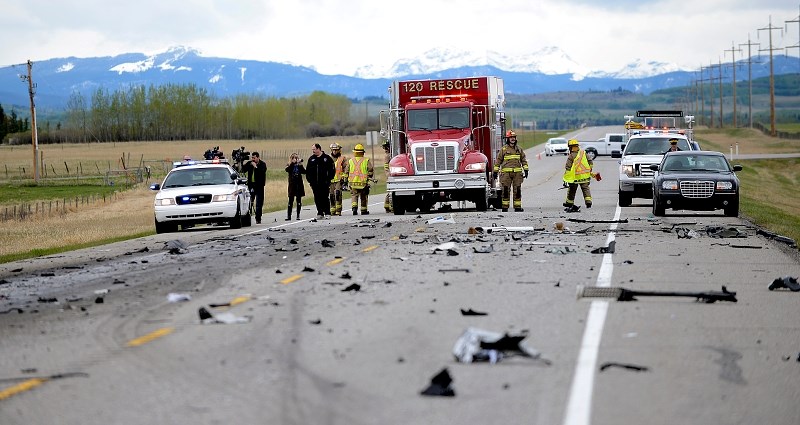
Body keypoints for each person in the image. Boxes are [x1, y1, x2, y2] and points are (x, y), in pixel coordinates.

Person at [492, 130, 528, 212]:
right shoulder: (503, 149)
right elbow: (498, 161)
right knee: (505, 190)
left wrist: (526, 170)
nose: (513, 139)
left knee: (517, 190)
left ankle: (517, 207)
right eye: (511, 137)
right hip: (506, 175)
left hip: (517, 174)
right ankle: (505, 207)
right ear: (508, 139)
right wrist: (495, 172)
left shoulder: (519, 149)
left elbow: (523, 160)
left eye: (514, 137)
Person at [563, 139, 594, 212]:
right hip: (585, 176)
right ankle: (588, 202)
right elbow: (590, 162)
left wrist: (566, 178)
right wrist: (590, 169)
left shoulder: (571, 156)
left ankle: (569, 203)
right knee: (586, 189)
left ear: (571, 147)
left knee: (572, 190)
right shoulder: (584, 153)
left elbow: (568, 167)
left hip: (575, 178)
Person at [306, 143, 335, 219]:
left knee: (325, 197)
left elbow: (332, 170)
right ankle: (320, 213)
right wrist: (310, 181)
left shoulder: (327, 158)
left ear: (319, 149)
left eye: (314, 149)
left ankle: (327, 213)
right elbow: (308, 171)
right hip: (315, 184)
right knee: (317, 198)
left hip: (324, 183)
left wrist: (328, 179)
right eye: (312, 150)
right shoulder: (311, 159)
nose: (313, 151)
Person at [345, 143, 374, 215]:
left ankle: (354, 208)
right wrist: (369, 177)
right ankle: (363, 210)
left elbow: (346, 171)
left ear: (354, 152)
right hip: (363, 183)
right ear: (363, 153)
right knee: (363, 196)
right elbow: (370, 170)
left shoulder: (350, 161)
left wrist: (345, 181)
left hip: (353, 183)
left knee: (354, 195)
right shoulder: (366, 160)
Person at [241, 151, 267, 224]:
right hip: (251, 185)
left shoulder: (262, 164)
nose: (253, 159)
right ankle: (247, 217)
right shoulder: (250, 164)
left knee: (259, 203)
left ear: (258, 158)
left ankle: (258, 218)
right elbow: (243, 170)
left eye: (254, 158)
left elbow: (262, 172)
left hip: (259, 186)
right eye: (252, 158)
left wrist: (255, 166)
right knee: (249, 202)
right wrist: (241, 163)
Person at [329, 143, 348, 216]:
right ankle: (332, 209)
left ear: (339, 150)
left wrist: (344, 177)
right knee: (331, 195)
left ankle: (338, 210)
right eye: (333, 150)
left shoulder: (342, 158)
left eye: (336, 150)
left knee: (338, 194)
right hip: (330, 180)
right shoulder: (328, 158)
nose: (334, 151)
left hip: (339, 180)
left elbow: (346, 168)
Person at [285, 153, 305, 221]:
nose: (295, 160)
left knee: (298, 200)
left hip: (298, 184)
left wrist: (300, 165)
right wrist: (292, 163)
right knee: (290, 200)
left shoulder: (299, 166)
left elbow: (304, 172)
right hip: (292, 185)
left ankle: (298, 215)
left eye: (296, 158)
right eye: (293, 158)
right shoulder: (289, 165)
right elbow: (287, 170)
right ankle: (289, 215)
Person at [382, 140, 393, 212]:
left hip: (390, 175)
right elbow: (386, 168)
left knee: (389, 191)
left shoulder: (388, 155)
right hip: (390, 175)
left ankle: (387, 206)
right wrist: (389, 175)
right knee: (391, 192)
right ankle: (391, 207)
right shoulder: (388, 156)